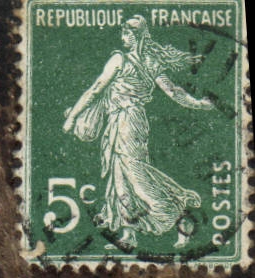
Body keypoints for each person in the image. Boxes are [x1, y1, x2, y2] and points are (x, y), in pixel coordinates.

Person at [62, 14, 215, 251]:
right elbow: (174, 92)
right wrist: (197, 103)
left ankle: (180, 213)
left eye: (126, 33)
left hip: (126, 122)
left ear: (135, 37)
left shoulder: (119, 59)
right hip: (127, 121)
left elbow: (95, 90)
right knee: (120, 178)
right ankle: (129, 234)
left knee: (136, 176)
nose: (122, 37)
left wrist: (72, 117)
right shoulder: (151, 61)